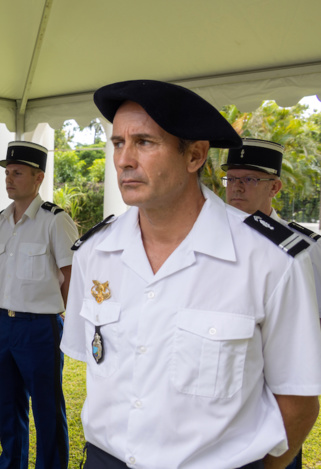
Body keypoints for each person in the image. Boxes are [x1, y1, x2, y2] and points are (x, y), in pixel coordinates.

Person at [60, 79, 321, 469]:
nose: (124, 160)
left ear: (195, 155)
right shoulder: (95, 253)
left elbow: (297, 401)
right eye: (118, 143)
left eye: (145, 142)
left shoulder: (270, 260)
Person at [221, 138, 321, 469]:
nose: (236, 188)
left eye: (249, 179)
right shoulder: (205, 239)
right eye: (231, 178)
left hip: (277, 384)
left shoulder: (303, 248)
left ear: (275, 186)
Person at [0, 141, 78, 469]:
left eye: (18, 173)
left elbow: (71, 278)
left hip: (41, 327)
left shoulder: (55, 220)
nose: (9, 179)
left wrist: (72, 332)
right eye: (8, 173)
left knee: (47, 408)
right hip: (4, 325)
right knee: (8, 408)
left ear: (38, 178)